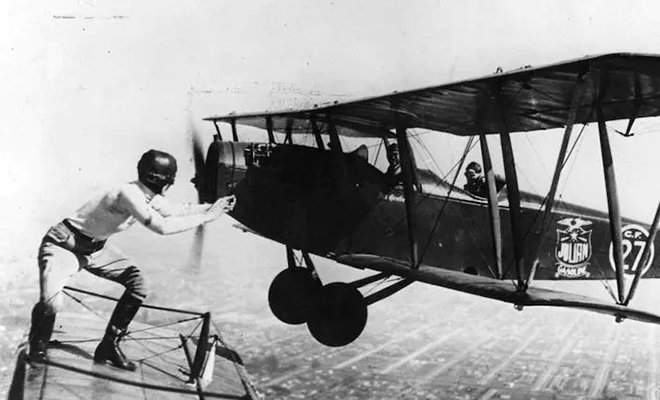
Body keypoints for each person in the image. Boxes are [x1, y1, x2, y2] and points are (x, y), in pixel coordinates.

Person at [27, 149, 236, 371]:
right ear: (159, 179)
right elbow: (162, 227)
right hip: (64, 247)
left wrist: (215, 207)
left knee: (138, 284)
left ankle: (108, 346)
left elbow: (173, 211)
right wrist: (207, 217)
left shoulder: (145, 194)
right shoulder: (130, 194)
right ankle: (37, 346)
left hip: (96, 250)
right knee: (52, 304)